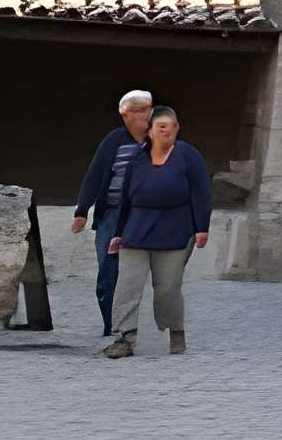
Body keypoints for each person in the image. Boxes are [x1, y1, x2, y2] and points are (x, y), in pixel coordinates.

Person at [101, 105, 209, 358]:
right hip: (136, 231)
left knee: (168, 289)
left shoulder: (188, 156)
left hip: (174, 232)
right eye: (161, 126)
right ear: (149, 131)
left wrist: (201, 227)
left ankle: (175, 331)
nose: (166, 131)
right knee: (127, 286)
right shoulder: (138, 159)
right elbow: (126, 199)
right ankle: (124, 337)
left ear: (177, 129)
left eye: (171, 126)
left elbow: (201, 192)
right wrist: (118, 233)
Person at [68, 89, 153, 335]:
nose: (142, 115)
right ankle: (113, 326)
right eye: (136, 110)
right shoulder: (115, 140)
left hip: (146, 216)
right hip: (113, 216)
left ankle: (139, 326)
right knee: (108, 271)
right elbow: (95, 174)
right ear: (125, 114)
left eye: (145, 109)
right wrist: (82, 210)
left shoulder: (161, 139)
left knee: (142, 273)